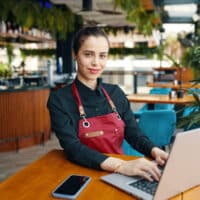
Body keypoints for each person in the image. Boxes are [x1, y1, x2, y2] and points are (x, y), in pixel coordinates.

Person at [47, 26, 168, 182]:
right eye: (88, 54)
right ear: (75, 55)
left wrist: (155, 150)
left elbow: (134, 134)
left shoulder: (115, 93)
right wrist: (120, 165)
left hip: (122, 176)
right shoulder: (59, 100)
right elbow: (72, 148)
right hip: (82, 175)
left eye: (102, 56)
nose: (96, 62)